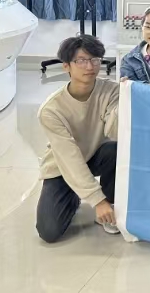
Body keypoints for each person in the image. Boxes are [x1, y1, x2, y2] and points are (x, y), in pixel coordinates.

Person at [36, 35, 119, 243]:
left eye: (95, 60)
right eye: (81, 61)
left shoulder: (111, 90)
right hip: (62, 166)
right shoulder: (51, 110)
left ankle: (111, 204)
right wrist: (96, 200)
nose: (89, 66)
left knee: (115, 149)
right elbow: (69, 157)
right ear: (66, 66)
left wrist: (126, 100)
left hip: (96, 156)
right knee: (49, 232)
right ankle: (74, 194)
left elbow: (115, 132)